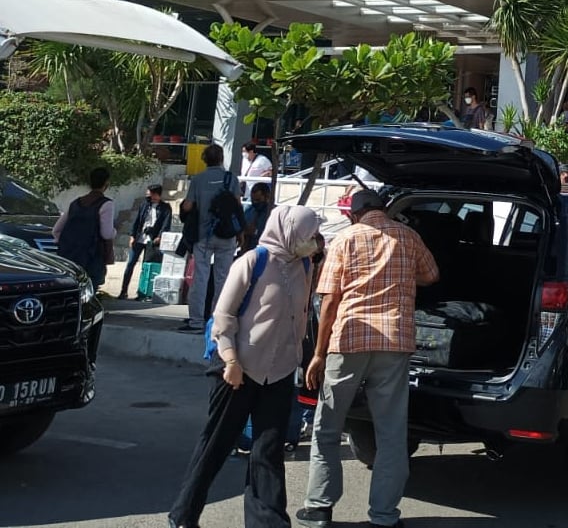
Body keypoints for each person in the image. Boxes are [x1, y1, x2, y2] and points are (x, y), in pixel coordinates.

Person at [167, 204, 322, 528]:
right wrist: (231, 360)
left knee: (268, 451)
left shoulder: (304, 265)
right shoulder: (253, 261)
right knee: (216, 446)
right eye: (307, 236)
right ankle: (183, 515)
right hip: (236, 370)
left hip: (278, 372)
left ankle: (269, 521)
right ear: (288, 231)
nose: (312, 241)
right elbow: (223, 316)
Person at [296, 189, 439, 528]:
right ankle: (384, 516)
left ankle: (319, 507)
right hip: (394, 341)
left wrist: (318, 354)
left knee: (328, 426)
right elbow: (432, 275)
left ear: (354, 214)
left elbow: (329, 302)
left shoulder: (345, 240)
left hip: (348, 340)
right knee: (391, 432)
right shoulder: (408, 236)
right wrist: (404, 277)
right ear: (384, 208)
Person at [179, 144, 243, 334]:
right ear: (222, 158)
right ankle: (217, 320)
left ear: (204, 159)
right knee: (223, 278)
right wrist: (240, 233)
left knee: (200, 277)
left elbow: (189, 206)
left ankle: (197, 321)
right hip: (227, 235)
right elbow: (237, 207)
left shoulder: (198, 179)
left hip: (204, 235)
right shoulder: (231, 179)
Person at [54, 166, 116, 289]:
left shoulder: (75, 203)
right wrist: (115, 232)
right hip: (92, 257)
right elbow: (106, 234)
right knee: (89, 290)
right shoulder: (106, 204)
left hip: (70, 256)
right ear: (106, 184)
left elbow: (56, 230)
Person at [119, 184, 171, 299]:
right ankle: (123, 291)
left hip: (152, 240)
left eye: (152, 194)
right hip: (139, 238)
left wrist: (160, 236)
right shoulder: (144, 205)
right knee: (130, 263)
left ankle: (142, 292)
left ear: (157, 194)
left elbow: (166, 224)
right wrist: (132, 236)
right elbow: (137, 221)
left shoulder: (165, 208)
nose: (150, 197)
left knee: (146, 266)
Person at [243, 182, 273, 250]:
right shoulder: (249, 211)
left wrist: (255, 231)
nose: (255, 203)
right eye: (252, 200)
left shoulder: (273, 214)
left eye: (258, 200)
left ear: (267, 197)